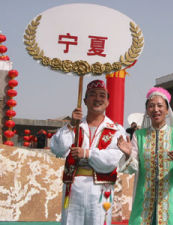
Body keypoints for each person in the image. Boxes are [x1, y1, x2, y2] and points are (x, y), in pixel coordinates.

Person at [50, 80, 126, 225]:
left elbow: (113, 159)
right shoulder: (75, 125)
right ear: (84, 100)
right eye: (92, 95)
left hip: (101, 189)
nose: (97, 99)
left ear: (108, 101)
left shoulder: (116, 129)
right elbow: (58, 149)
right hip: (74, 187)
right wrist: (71, 124)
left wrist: (87, 154)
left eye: (102, 95)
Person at [117, 87, 173, 225]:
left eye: (160, 105)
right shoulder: (139, 136)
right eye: (151, 106)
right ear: (147, 111)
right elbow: (132, 168)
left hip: (171, 200)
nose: (155, 109)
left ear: (167, 110)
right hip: (144, 201)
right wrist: (129, 154)